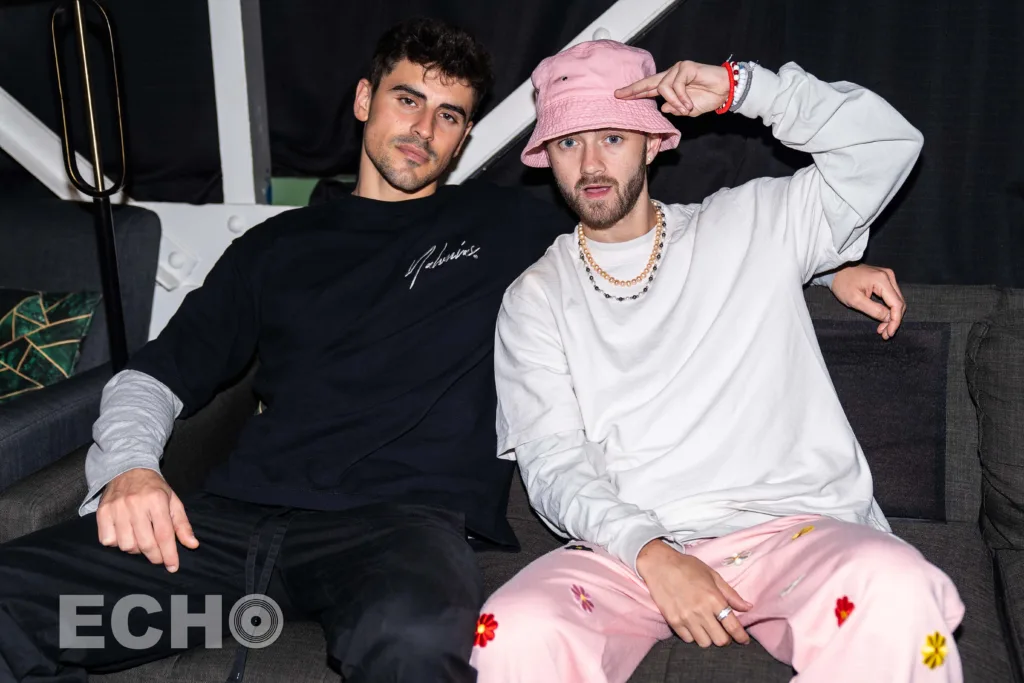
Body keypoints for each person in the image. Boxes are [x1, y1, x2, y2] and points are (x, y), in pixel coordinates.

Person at [0, 20, 905, 683]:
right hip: (226, 547)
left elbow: (647, 229)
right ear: (364, 102)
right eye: (406, 99)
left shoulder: (512, 225)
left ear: (468, 137)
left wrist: (823, 264)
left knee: (414, 639)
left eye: (449, 115)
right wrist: (127, 469)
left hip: (394, 535)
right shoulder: (271, 251)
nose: (422, 128)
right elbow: (153, 376)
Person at [470, 40, 961, 683]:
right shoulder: (535, 298)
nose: (590, 163)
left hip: (792, 530)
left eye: (613, 137)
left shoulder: (754, 222)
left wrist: (743, 89)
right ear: (547, 157)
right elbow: (552, 458)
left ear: (653, 142)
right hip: (628, 554)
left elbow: (885, 146)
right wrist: (651, 553)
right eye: (569, 142)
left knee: (899, 590)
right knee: (516, 627)